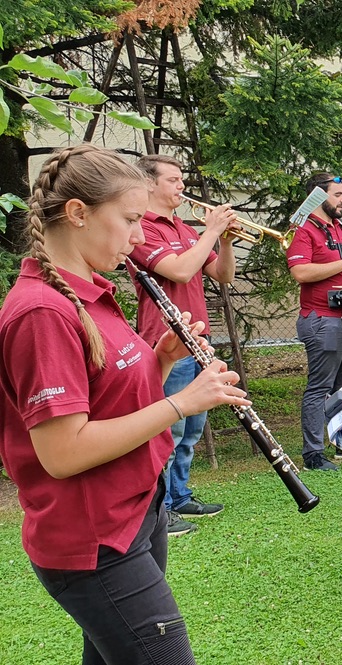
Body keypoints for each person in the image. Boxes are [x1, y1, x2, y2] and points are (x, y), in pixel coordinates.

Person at [0, 144, 249, 664]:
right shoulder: (42, 311)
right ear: (78, 213)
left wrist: (161, 360)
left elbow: (110, 402)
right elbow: (63, 452)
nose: (139, 237)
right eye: (131, 219)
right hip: (95, 537)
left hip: (137, 509)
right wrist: (181, 404)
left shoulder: (89, 289)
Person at [129, 155, 236, 536]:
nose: (182, 186)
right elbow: (178, 270)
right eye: (173, 180)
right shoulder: (142, 227)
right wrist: (212, 230)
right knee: (168, 431)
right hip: (166, 342)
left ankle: (179, 495)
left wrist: (224, 240)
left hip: (198, 339)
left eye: (182, 179)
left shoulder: (186, 229)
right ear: (150, 184)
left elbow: (222, 274)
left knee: (192, 429)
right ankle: (159, 509)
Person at [286, 173, 342, 471]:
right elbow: (300, 272)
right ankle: (313, 454)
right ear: (318, 196)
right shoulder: (303, 230)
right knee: (320, 386)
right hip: (322, 320)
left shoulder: (339, 228)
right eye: (337, 194)